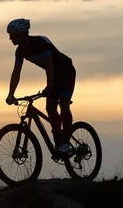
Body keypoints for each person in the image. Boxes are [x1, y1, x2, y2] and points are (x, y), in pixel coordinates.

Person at [5, 18, 76, 159]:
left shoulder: (41, 42)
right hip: (54, 77)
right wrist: (11, 94)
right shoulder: (20, 51)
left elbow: (49, 65)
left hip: (66, 72)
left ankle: (66, 142)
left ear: (21, 34)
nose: (10, 38)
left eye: (12, 35)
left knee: (63, 104)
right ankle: (58, 139)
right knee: (50, 108)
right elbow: (16, 73)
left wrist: (49, 86)